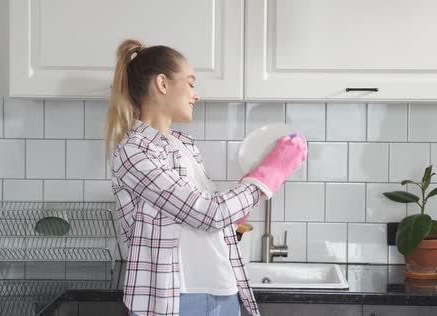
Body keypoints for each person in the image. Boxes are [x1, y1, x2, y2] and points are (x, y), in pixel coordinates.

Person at [105, 39, 307, 316]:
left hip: (222, 289)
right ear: (163, 84)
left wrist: (236, 209)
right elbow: (208, 214)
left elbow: (206, 213)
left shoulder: (183, 144)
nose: (196, 94)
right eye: (190, 83)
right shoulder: (134, 152)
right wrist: (269, 174)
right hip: (171, 300)